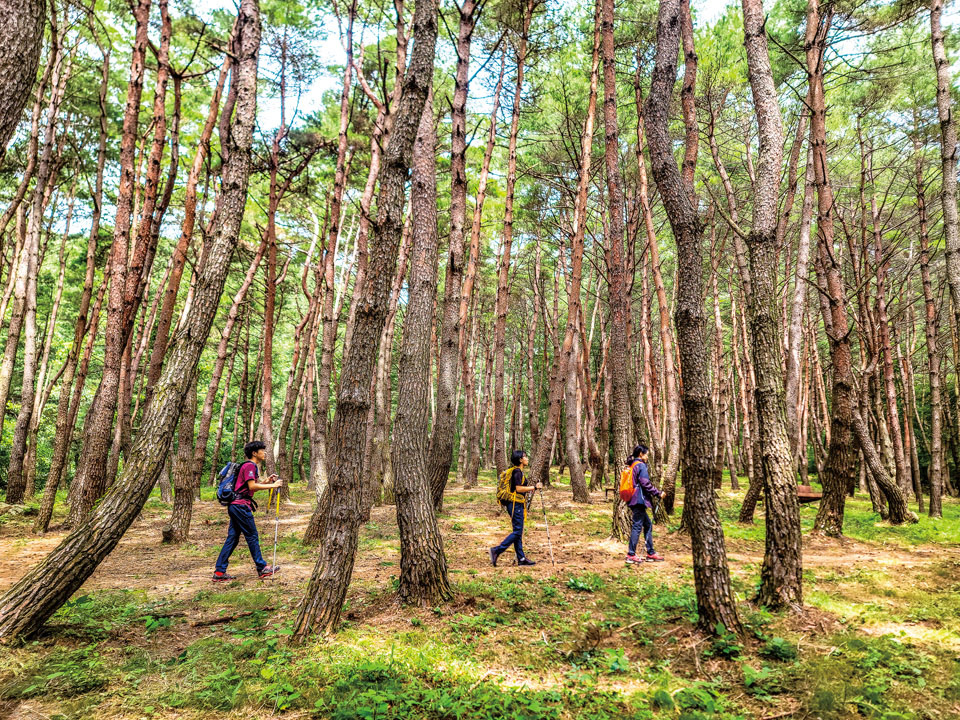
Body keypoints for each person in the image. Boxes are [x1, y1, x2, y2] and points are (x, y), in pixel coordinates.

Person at [213, 440, 283, 581]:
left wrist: (266, 482)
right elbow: (251, 487)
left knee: (232, 539)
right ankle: (262, 568)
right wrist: (273, 486)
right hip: (240, 507)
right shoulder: (250, 466)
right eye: (262, 451)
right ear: (254, 453)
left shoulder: (248, 466)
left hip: (235, 505)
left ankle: (219, 572)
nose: (265, 453)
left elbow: (249, 487)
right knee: (251, 536)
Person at [490, 449, 542, 567]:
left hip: (515, 504)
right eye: (525, 456)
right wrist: (534, 487)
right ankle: (496, 550)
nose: (527, 458)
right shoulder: (517, 472)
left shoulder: (517, 472)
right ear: (520, 460)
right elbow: (518, 489)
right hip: (514, 504)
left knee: (517, 532)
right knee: (518, 531)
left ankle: (521, 558)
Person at [625, 444, 665, 564]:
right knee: (637, 525)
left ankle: (650, 553)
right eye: (646, 454)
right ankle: (631, 554)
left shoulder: (632, 465)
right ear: (641, 454)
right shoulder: (641, 465)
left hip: (633, 499)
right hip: (639, 500)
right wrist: (658, 493)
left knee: (647, 525)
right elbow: (645, 483)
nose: (647, 456)